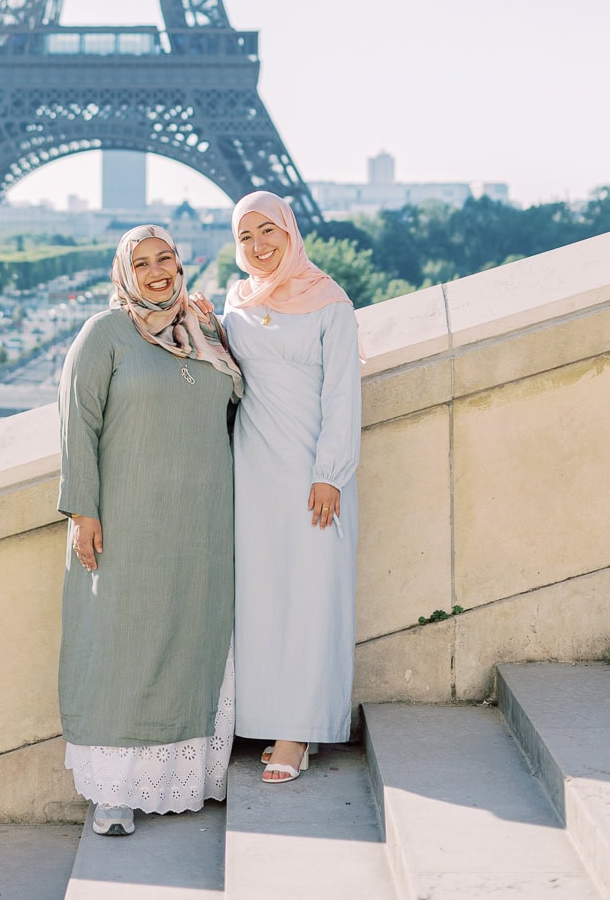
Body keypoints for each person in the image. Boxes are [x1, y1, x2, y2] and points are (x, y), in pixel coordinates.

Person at [57, 224, 243, 836]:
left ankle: (188, 776)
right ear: (124, 274)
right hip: (128, 519)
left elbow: (239, 409)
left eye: (167, 259)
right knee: (124, 643)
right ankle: (114, 792)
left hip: (205, 520)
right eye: (142, 264)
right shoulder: (105, 333)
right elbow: (77, 423)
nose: (158, 272)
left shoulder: (205, 331)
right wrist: (83, 511)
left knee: (193, 635)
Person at [223, 190, 361, 784]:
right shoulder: (236, 303)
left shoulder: (331, 303)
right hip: (253, 472)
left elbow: (343, 395)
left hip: (312, 474)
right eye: (245, 236)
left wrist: (330, 473)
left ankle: (297, 732)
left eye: (267, 231)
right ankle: (269, 718)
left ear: (290, 232)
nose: (258, 246)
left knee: (310, 595)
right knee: (261, 597)